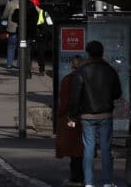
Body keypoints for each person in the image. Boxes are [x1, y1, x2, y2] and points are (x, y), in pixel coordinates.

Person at [68, 40, 122, 187]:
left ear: (88, 53)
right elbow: (117, 92)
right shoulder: (109, 70)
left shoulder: (82, 71)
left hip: (87, 115)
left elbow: (75, 96)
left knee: (88, 149)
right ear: (102, 53)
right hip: (105, 114)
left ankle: (89, 182)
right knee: (106, 149)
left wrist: (72, 115)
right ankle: (107, 182)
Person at [56, 55, 85, 186]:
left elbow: (64, 102)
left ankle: (76, 176)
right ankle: (82, 176)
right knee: (82, 147)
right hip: (85, 117)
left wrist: (60, 114)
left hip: (71, 118)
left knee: (74, 148)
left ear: (72, 66)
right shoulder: (87, 79)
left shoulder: (68, 80)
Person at [31, 0, 53, 75]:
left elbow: (50, 24)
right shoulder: (44, 13)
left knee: (40, 53)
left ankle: (41, 69)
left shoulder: (43, 13)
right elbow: (50, 23)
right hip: (38, 35)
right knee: (38, 53)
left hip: (41, 36)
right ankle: (40, 69)